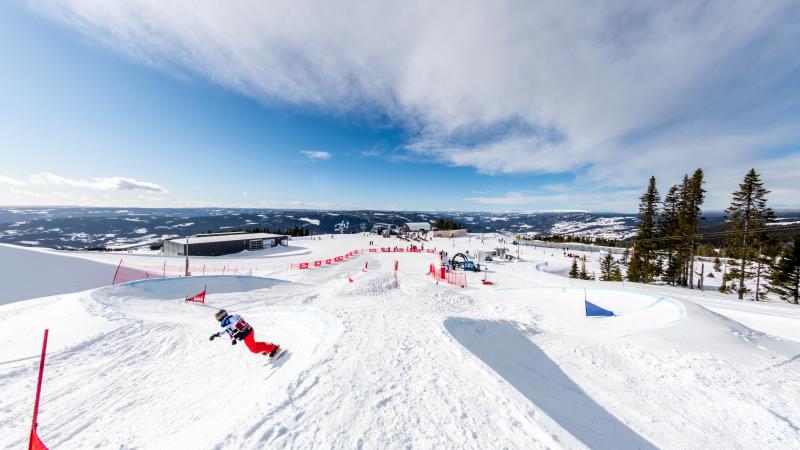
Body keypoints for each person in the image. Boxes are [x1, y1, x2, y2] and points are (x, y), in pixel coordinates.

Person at [210, 309, 280, 358]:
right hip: (250, 330)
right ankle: (268, 347)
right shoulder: (233, 317)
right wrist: (217, 335)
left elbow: (229, 330)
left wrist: (234, 338)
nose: (218, 320)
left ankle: (273, 348)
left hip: (246, 334)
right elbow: (232, 329)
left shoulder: (227, 322)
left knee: (254, 349)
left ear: (221, 318)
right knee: (254, 345)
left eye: (218, 319)